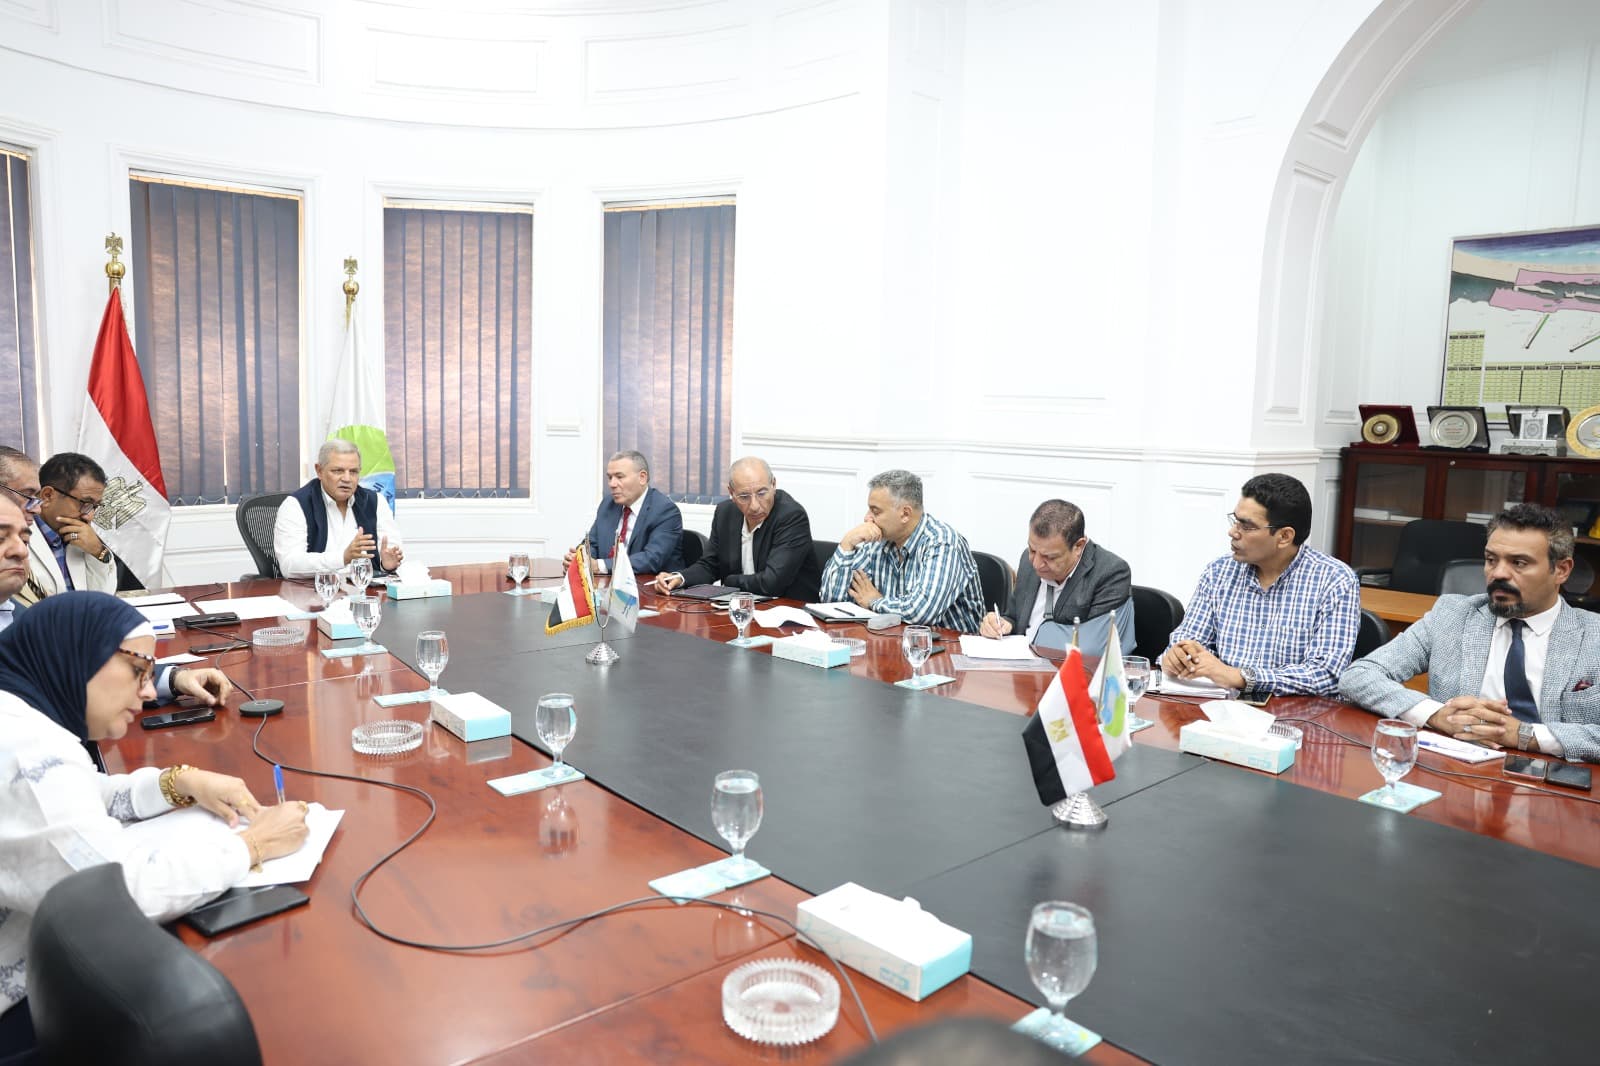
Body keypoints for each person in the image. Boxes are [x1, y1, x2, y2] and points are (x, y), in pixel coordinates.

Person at [0, 592, 309, 1056]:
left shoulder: (21, 719)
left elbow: (82, 795)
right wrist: (253, 845)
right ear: (77, 654)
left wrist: (178, 782)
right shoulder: (26, 752)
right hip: (22, 1016)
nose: (148, 692)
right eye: (138, 670)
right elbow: (126, 892)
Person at [1340, 504, 1600, 762]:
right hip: (1455, 769)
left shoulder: (1594, 636)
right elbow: (1360, 676)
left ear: (1561, 570)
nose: (1498, 573)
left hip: (1554, 778)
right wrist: (1438, 715)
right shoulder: (1453, 615)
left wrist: (1526, 735)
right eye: (1491, 560)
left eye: (1519, 563)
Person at [0, 494, 229, 707]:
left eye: (25, 540)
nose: (21, 551)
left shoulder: (17, 615)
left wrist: (175, 678)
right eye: (1, 538)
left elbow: (84, 665)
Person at [1161, 473, 1358, 696]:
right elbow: (1189, 640)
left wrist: (1241, 677)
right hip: (1220, 705)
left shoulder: (1334, 580)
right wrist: (1178, 656)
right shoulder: (1219, 571)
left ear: (1284, 536)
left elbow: (1326, 674)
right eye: (1235, 520)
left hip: (1293, 712)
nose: (1233, 532)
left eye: (1246, 526)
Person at [817, 469, 984, 631]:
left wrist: (875, 602)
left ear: (905, 514)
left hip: (948, 645)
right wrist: (847, 544)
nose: (867, 518)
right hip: (891, 641)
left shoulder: (943, 542)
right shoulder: (878, 540)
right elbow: (832, 603)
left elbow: (921, 613)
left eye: (875, 511)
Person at [978, 499, 1135, 653]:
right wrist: (1001, 624)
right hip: (1018, 664)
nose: (1036, 564)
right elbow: (1014, 617)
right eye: (1032, 550)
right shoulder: (1028, 560)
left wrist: (1044, 636)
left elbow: (1094, 649)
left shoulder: (1110, 573)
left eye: (1050, 557)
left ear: (1078, 546)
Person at [654, 457, 822, 601]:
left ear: (773, 484)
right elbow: (710, 565)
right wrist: (679, 578)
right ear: (731, 493)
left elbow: (772, 583)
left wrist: (729, 582)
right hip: (740, 607)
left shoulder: (791, 516)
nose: (754, 506)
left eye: (762, 493)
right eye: (744, 496)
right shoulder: (725, 513)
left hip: (788, 612)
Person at [274, 439, 404, 579]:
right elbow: (289, 565)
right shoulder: (296, 505)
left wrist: (386, 565)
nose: (347, 479)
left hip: (364, 588)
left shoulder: (375, 501)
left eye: (353, 472)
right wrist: (343, 558)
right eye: (338, 471)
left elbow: (390, 552)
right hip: (316, 589)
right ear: (319, 470)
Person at [14, 451, 118, 604]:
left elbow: (102, 602)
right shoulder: (14, 538)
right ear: (47, 496)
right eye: (85, 503)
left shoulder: (83, 538)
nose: (89, 516)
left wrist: (98, 552)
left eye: (95, 506)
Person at [567, 450, 683, 575]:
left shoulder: (665, 511)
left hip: (651, 584)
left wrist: (599, 566)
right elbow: (592, 544)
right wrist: (579, 560)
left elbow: (651, 559)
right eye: (610, 477)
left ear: (642, 477)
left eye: (619, 477)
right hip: (609, 583)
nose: (612, 484)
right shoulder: (608, 504)